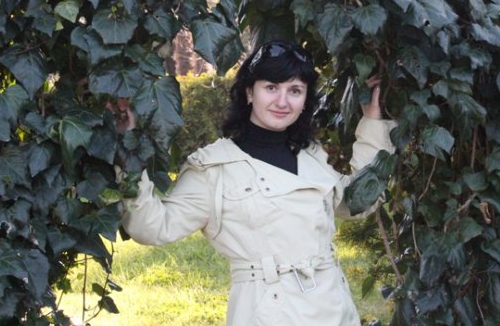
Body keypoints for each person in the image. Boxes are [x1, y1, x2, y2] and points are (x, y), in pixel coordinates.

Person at [120, 40, 396, 325]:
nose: (282, 102)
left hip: (334, 310)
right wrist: (128, 154)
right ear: (249, 92)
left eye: (295, 90)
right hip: (267, 312)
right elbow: (153, 227)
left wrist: (372, 122)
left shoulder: (311, 156)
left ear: (305, 100)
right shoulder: (214, 168)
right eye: (271, 87)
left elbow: (356, 203)